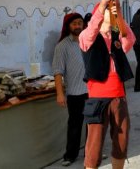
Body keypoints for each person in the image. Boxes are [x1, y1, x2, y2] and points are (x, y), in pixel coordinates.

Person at [79, 0, 136, 169]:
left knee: (121, 140)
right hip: (97, 99)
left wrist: (118, 15)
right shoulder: (87, 37)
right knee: (94, 146)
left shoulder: (117, 36)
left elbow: (130, 39)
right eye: (106, 11)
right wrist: (103, 3)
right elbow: (91, 30)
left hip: (118, 97)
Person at [52, 12, 88, 167]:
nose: (78, 26)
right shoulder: (62, 46)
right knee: (75, 125)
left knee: (92, 124)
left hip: (92, 90)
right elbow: (58, 71)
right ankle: (70, 155)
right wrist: (60, 93)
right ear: (68, 26)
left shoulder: (88, 41)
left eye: (80, 23)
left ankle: (92, 151)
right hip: (74, 92)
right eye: (74, 23)